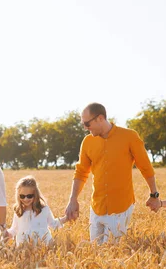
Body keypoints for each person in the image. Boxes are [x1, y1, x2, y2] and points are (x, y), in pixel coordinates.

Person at [65, 102, 160, 244]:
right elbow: (80, 173)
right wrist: (73, 200)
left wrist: (154, 195)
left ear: (100, 118)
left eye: (87, 123)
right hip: (97, 206)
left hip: (120, 207)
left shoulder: (129, 136)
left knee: (113, 253)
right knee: (96, 253)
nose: (85, 127)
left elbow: (145, 167)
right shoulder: (87, 142)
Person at [5, 175, 69, 246]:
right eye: (22, 196)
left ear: (35, 194)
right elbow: (14, 229)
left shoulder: (44, 209)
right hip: (24, 248)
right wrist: (5, 233)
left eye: (29, 196)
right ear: (18, 196)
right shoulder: (18, 211)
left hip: (43, 246)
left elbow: (53, 224)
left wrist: (67, 218)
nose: (26, 199)